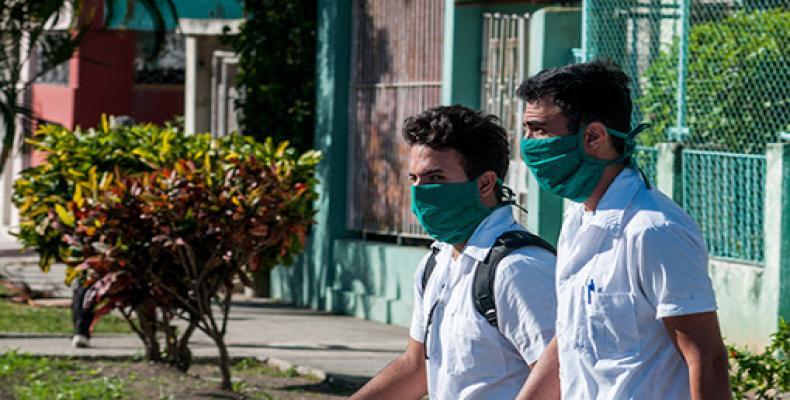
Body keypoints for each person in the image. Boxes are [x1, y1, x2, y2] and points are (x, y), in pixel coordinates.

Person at [515, 61, 731, 400]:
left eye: (539, 130)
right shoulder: (577, 220)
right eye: (526, 130)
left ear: (594, 136)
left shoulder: (654, 230)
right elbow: (571, 337)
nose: (528, 145)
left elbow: (706, 358)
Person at [350, 105, 558, 399]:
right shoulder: (436, 263)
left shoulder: (519, 269)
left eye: (436, 178)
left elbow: (562, 377)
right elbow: (416, 368)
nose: (421, 192)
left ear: (485, 183)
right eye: (415, 179)